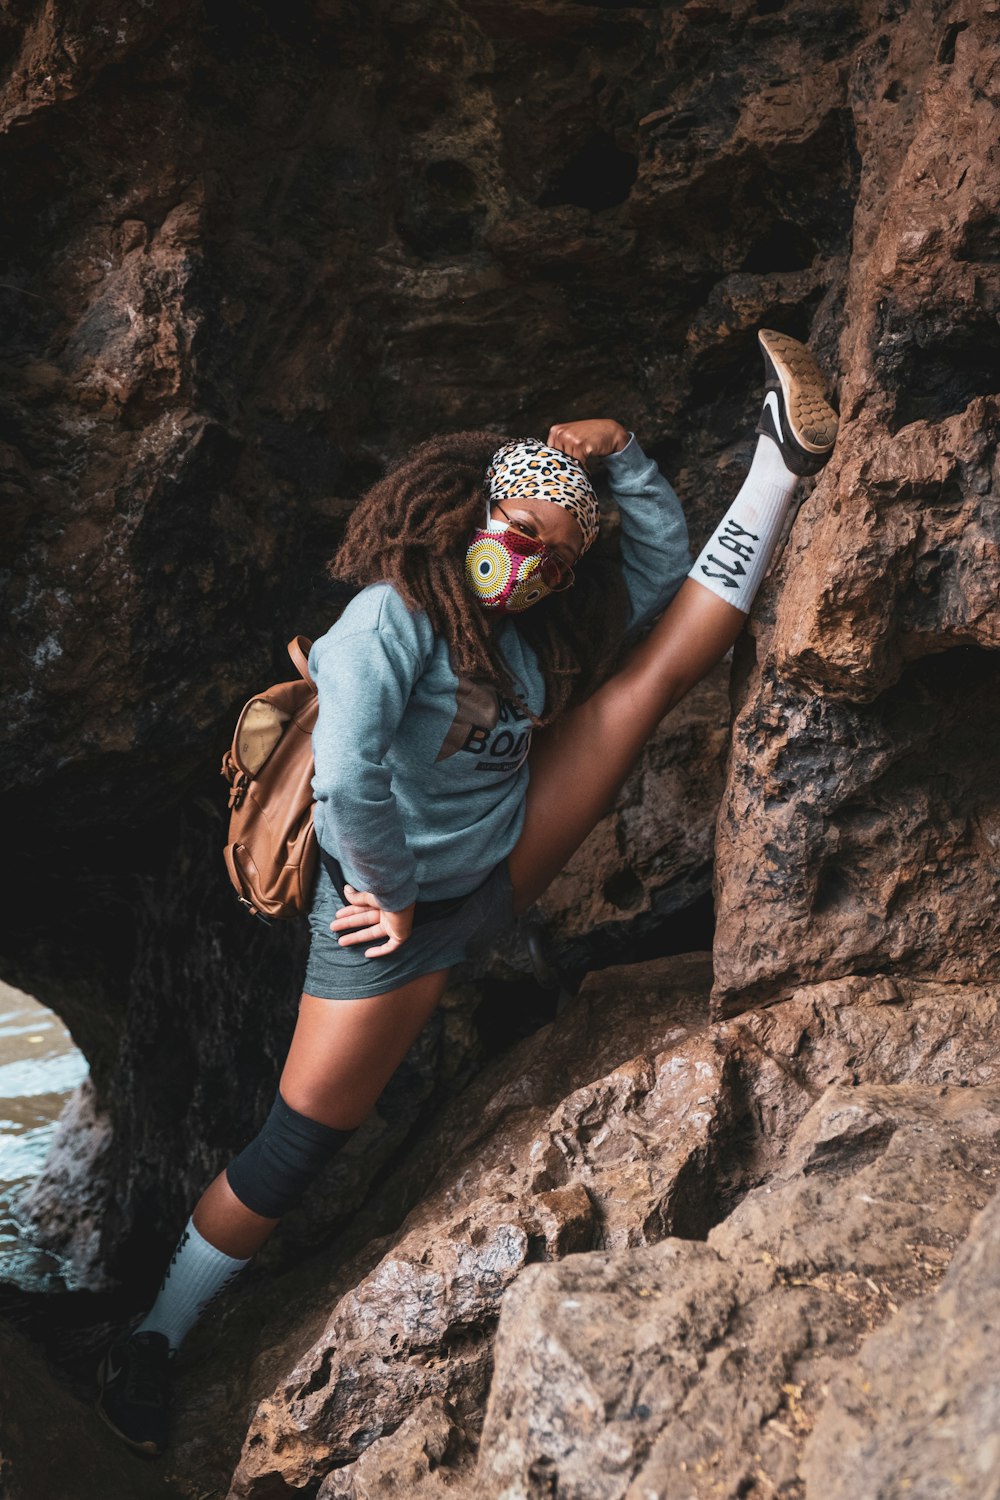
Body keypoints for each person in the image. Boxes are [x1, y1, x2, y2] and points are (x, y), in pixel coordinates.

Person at [96, 329, 838, 1455]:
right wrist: (390, 897)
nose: (533, 562)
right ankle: (154, 1338)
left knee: (652, 678)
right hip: (391, 925)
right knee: (296, 1146)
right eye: (524, 534)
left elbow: (650, 571)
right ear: (470, 515)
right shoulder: (387, 621)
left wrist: (623, 455)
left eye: (558, 554)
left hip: (499, 860)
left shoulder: (532, 636)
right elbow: (343, 780)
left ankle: (780, 463)